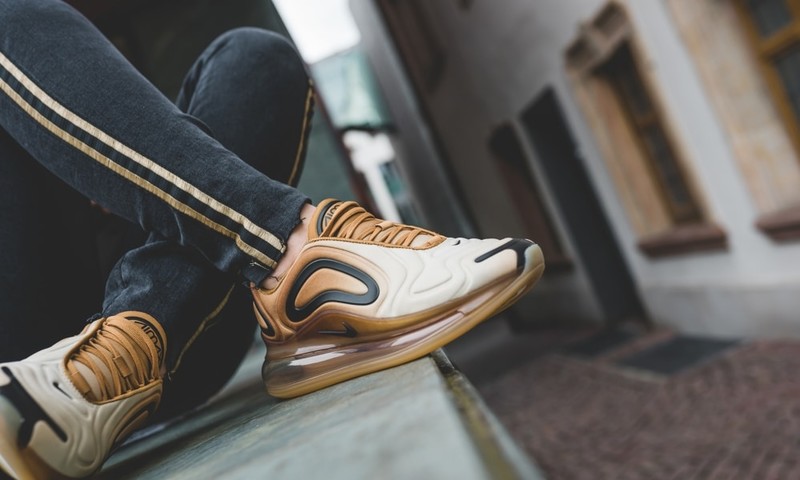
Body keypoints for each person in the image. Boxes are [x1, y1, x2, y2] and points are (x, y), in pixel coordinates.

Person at [0, 1, 545, 478]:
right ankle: (297, 251)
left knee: (256, 59)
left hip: (186, 329)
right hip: (21, 369)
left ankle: (148, 338)